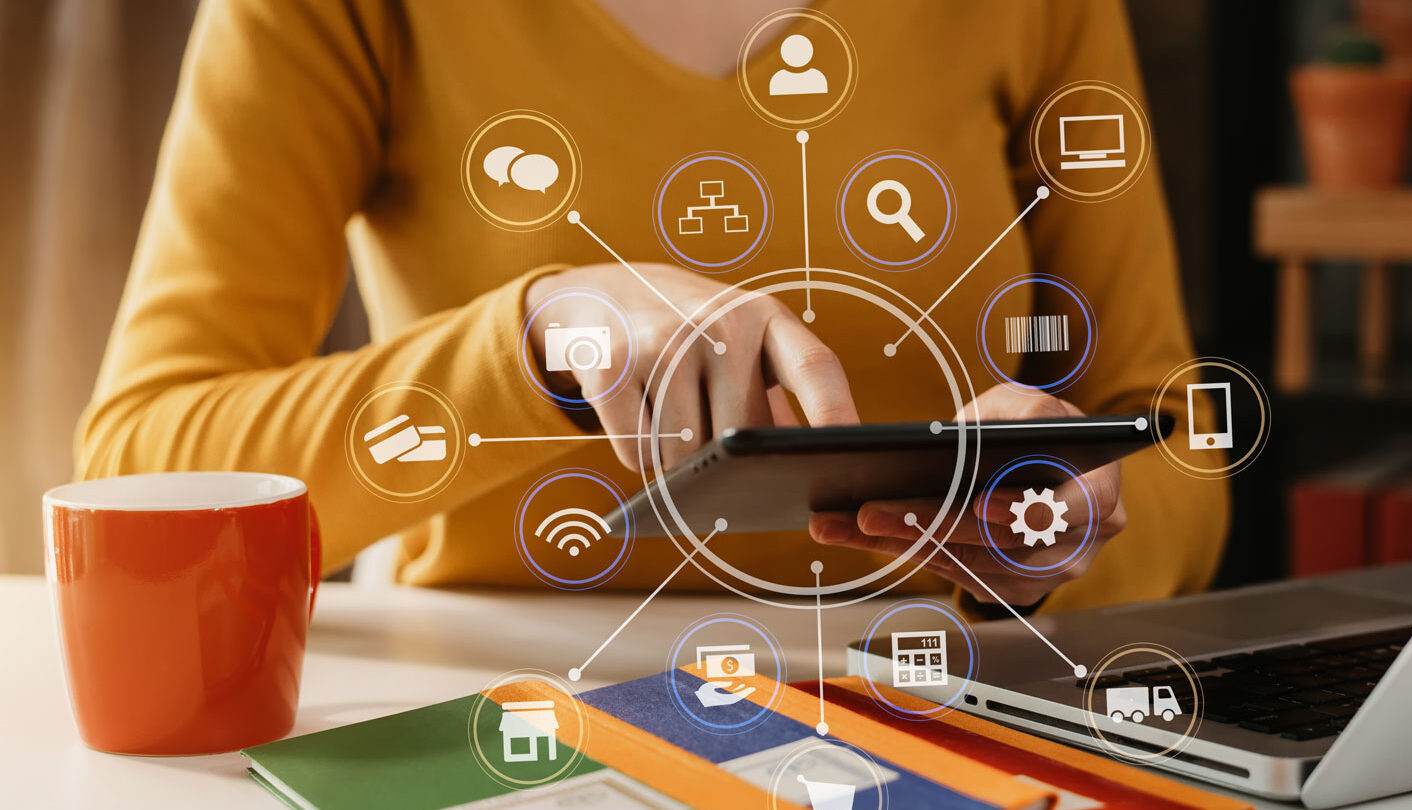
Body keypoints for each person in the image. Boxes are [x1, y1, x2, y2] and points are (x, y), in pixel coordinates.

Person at [78, 0, 1227, 615]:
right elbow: (141, 466)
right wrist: (534, 338)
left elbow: (1172, 434)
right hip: (523, 723)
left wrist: (1072, 531)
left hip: (955, 704)